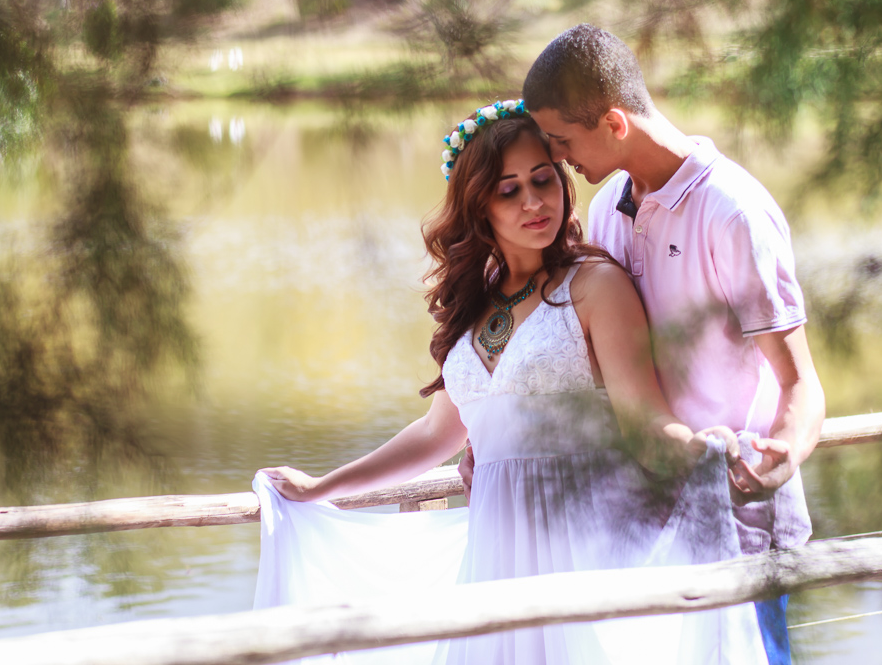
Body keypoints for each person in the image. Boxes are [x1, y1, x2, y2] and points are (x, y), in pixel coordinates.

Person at [254, 103, 771, 664]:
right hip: (496, 557)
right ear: (479, 207)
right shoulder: (476, 302)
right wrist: (319, 488)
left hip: (582, 549)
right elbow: (436, 436)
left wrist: (707, 451)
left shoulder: (597, 287)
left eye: (543, 180)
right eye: (509, 190)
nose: (533, 202)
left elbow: (644, 422)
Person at [462, 24, 826, 664]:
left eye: (564, 141)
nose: (559, 156)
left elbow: (800, 382)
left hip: (735, 518)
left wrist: (783, 454)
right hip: (638, 530)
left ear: (613, 123)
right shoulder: (608, 210)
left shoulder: (732, 212)